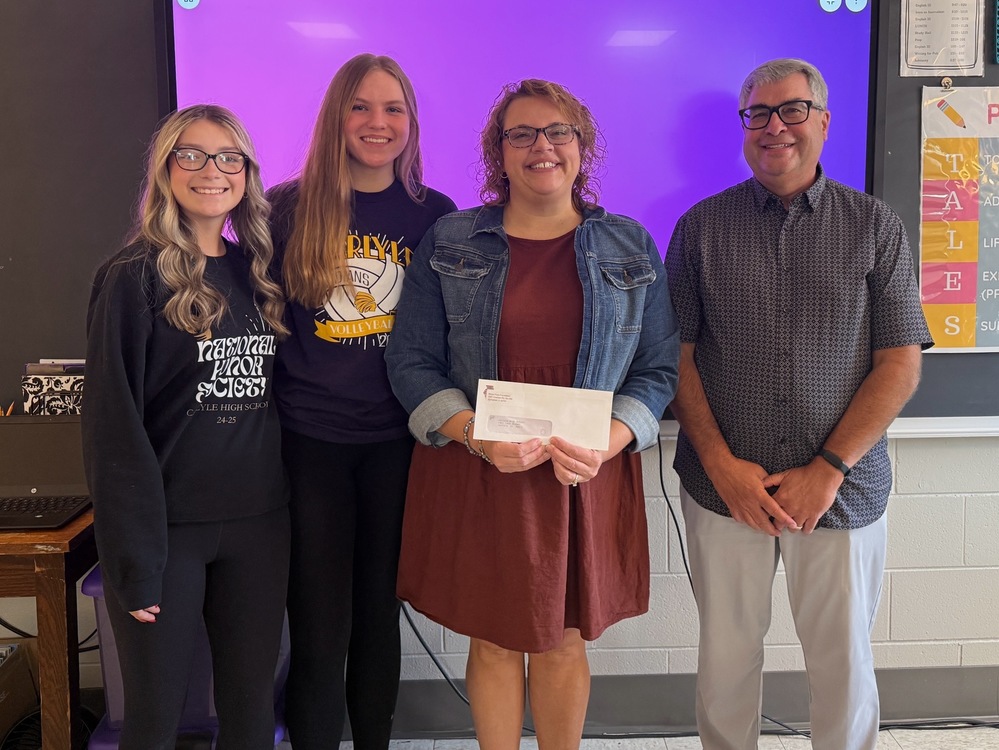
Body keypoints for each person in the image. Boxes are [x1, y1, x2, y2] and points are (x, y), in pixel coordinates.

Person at [385, 79, 680, 750]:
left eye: (557, 132)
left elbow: (659, 369)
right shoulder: (452, 239)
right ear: (499, 152)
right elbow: (410, 360)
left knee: (563, 644)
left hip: (583, 471)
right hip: (480, 467)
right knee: (492, 643)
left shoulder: (630, 245)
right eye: (520, 134)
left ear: (582, 148)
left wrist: (612, 439)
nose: (540, 147)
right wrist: (473, 433)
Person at [665, 58, 933, 750]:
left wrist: (831, 465)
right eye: (758, 113)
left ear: (823, 121)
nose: (774, 127)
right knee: (726, 663)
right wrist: (720, 464)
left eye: (791, 110)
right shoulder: (698, 230)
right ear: (744, 126)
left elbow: (900, 362)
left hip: (839, 491)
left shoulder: (876, 226)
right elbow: (677, 356)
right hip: (725, 490)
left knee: (843, 665)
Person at [81, 104, 290, 750]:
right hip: (166, 538)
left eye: (229, 157)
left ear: (247, 174)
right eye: (192, 155)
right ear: (165, 169)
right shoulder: (129, 278)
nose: (211, 171)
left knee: (251, 709)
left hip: (258, 527)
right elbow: (113, 432)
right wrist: (132, 562)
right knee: (153, 718)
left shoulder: (256, 273)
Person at [266, 53, 456, 750]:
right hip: (308, 445)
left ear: (411, 122)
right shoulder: (282, 210)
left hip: (398, 445)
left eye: (394, 109)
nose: (378, 123)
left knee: (378, 611)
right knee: (318, 621)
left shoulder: (435, 213)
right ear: (336, 117)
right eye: (362, 107)